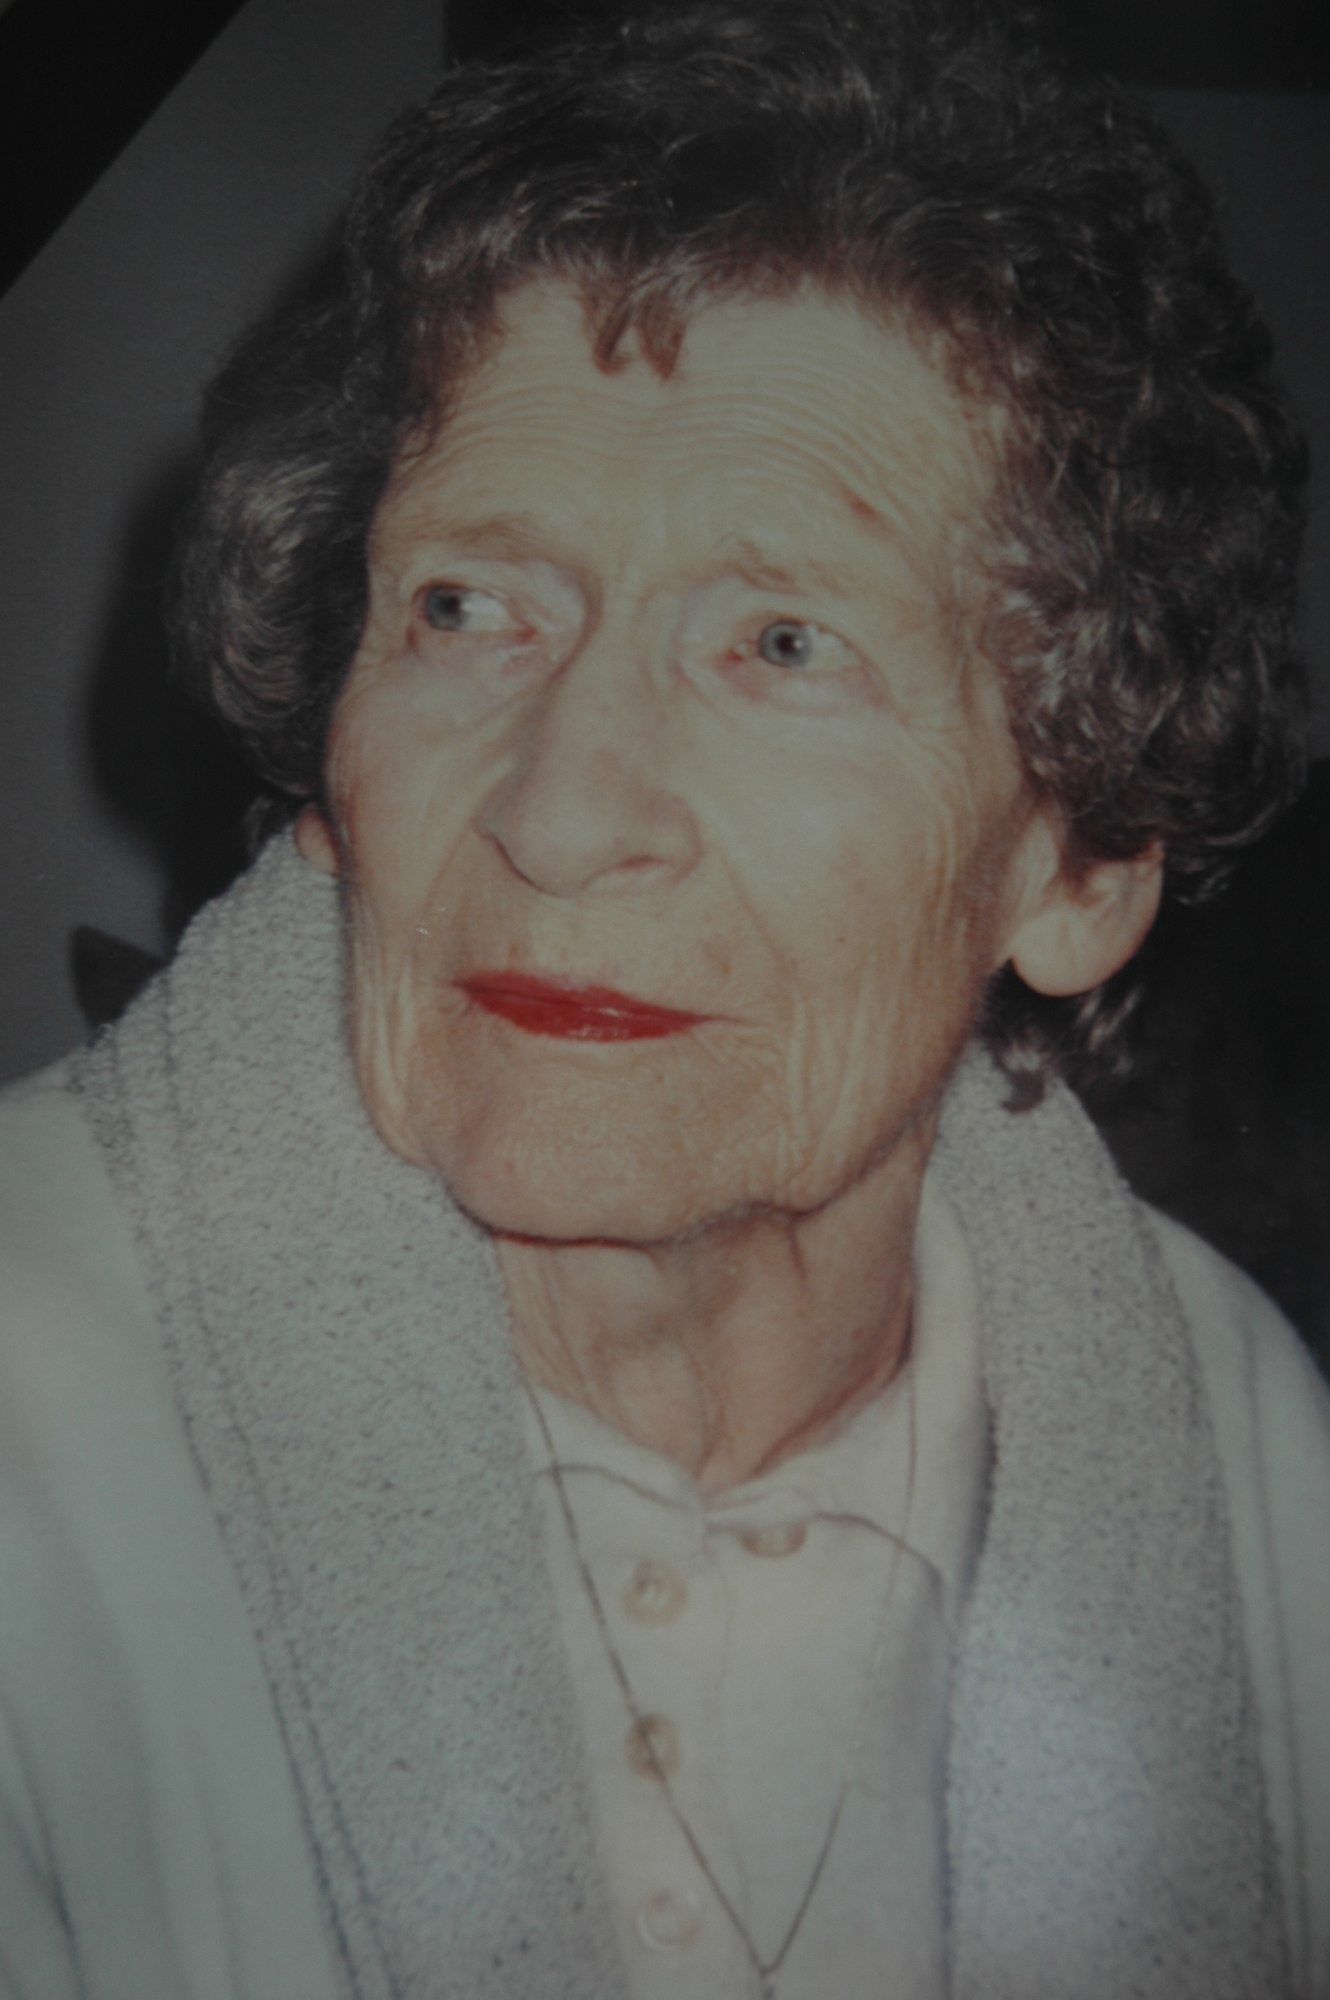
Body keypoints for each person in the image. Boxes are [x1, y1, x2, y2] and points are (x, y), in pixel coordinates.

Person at [1, 1, 1327, 1995]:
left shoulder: (1242, 1444)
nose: (559, 812)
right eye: (467, 607)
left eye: (779, 643)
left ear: (1077, 864)